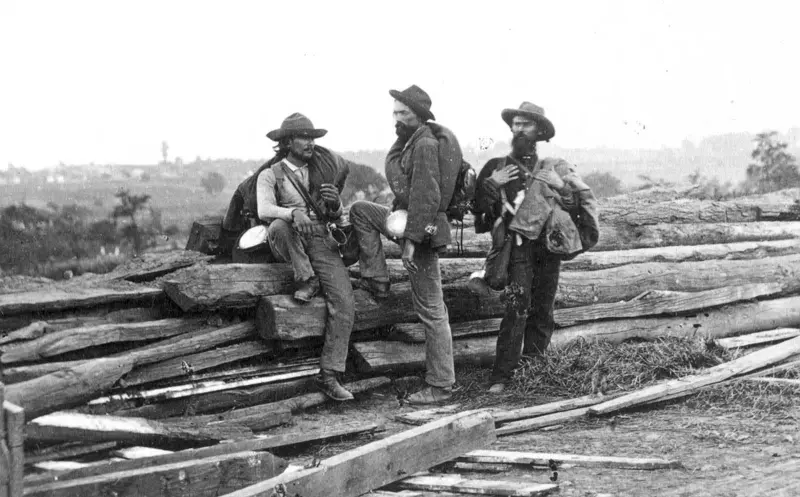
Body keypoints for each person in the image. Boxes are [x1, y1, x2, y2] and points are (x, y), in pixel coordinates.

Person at [473, 102, 599, 394]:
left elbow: (576, 207)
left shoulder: (556, 168)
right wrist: (491, 186)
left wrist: (561, 187)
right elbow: (480, 216)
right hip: (516, 250)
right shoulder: (496, 167)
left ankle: (535, 370)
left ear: (539, 132)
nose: (518, 129)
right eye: (515, 124)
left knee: (543, 309)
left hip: (548, 249)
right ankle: (501, 376)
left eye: (525, 124)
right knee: (516, 308)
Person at [349, 85, 462, 404]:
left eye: (404, 113)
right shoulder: (409, 142)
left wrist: (410, 245)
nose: (397, 118)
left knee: (431, 309)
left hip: (422, 231)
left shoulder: (424, 144)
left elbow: (428, 198)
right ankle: (377, 279)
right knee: (362, 211)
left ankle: (441, 384)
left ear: (420, 116)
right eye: (395, 112)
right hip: (406, 219)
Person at [257, 112, 356, 401]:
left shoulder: (322, 171)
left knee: (344, 300)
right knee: (278, 225)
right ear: (287, 142)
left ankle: (329, 375)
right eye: (303, 137)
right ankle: (307, 278)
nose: (310, 142)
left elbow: (335, 214)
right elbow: (264, 210)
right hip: (288, 239)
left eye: (312, 137)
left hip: (320, 238)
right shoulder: (270, 174)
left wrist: (335, 205)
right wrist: (292, 213)